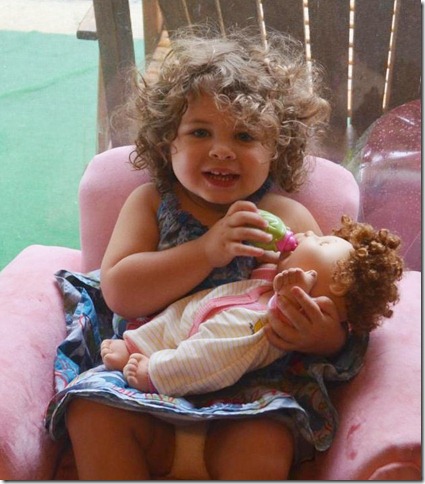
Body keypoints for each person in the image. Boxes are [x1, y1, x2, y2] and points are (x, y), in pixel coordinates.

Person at [64, 27, 355, 480]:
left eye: (245, 136)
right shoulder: (150, 204)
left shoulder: (287, 216)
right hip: (140, 381)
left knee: (268, 441)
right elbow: (118, 292)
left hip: (248, 399)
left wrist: (321, 336)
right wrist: (205, 251)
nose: (221, 150)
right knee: (90, 413)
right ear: (168, 142)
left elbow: (331, 304)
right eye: (200, 132)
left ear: (276, 149)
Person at [100, 215, 403, 396]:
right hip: (203, 313)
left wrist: (295, 294)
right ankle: (139, 344)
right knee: (178, 316)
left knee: (204, 356)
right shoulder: (272, 277)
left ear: (338, 283)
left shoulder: (294, 312)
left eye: (322, 242)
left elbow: (287, 314)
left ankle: (160, 373)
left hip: (237, 337)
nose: (311, 233)